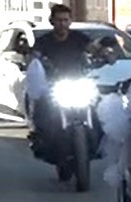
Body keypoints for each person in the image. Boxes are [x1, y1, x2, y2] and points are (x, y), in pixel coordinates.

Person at [27, 3, 99, 161]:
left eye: (66, 20)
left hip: (78, 82)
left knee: (98, 107)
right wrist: (33, 58)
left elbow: (92, 49)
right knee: (43, 110)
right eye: (59, 20)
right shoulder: (44, 41)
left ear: (70, 21)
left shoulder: (79, 38)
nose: (62, 23)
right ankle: (41, 141)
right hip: (53, 84)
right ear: (52, 21)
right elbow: (34, 55)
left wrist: (104, 53)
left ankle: (98, 143)